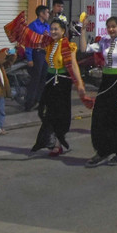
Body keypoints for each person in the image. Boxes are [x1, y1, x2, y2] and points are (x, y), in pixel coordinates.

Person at [83, 17, 117, 167]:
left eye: (114, 27)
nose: (111, 29)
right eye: (109, 27)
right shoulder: (104, 41)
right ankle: (102, 151)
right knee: (99, 117)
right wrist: (84, 30)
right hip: (105, 82)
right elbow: (84, 48)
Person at [31, 19, 86, 155]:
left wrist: (79, 84)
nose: (54, 31)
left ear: (63, 31)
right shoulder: (48, 44)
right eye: (52, 29)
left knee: (60, 114)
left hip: (62, 82)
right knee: (44, 111)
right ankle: (50, 138)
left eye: (56, 29)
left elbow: (73, 65)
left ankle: (58, 143)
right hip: (50, 81)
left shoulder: (69, 46)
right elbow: (32, 40)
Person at [24, 5, 51, 112]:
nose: (48, 14)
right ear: (41, 13)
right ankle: (29, 102)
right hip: (37, 54)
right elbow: (29, 43)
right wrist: (29, 58)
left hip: (45, 54)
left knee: (43, 78)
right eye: (47, 12)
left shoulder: (47, 26)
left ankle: (39, 101)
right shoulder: (33, 26)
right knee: (35, 79)